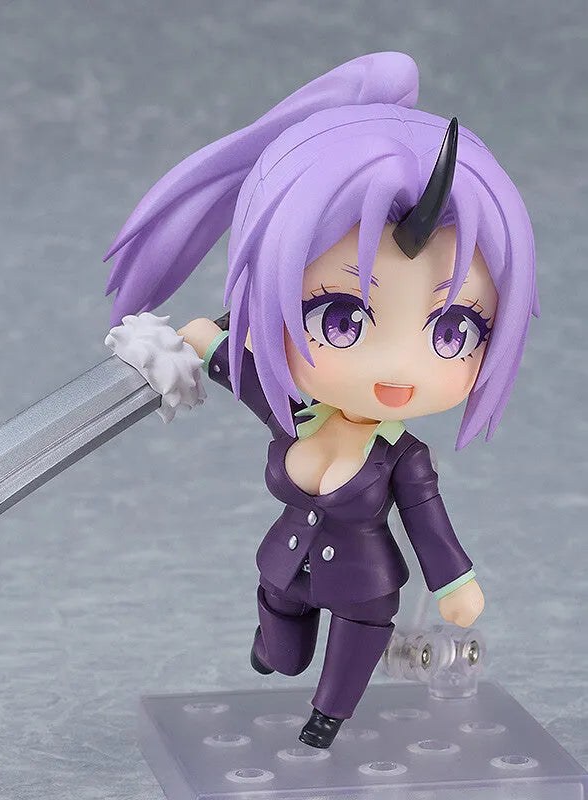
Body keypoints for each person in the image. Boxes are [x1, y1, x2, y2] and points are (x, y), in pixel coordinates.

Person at [103, 52, 538, 748]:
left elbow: (428, 523)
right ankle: (272, 649)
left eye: (454, 331)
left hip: (365, 591)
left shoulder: (403, 458)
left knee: (338, 677)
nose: (398, 369)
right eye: (341, 319)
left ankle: (326, 719)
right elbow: (246, 378)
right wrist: (211, 346)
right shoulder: (298, 415)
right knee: (281, 654)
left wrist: (454, 583)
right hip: (284, 569)